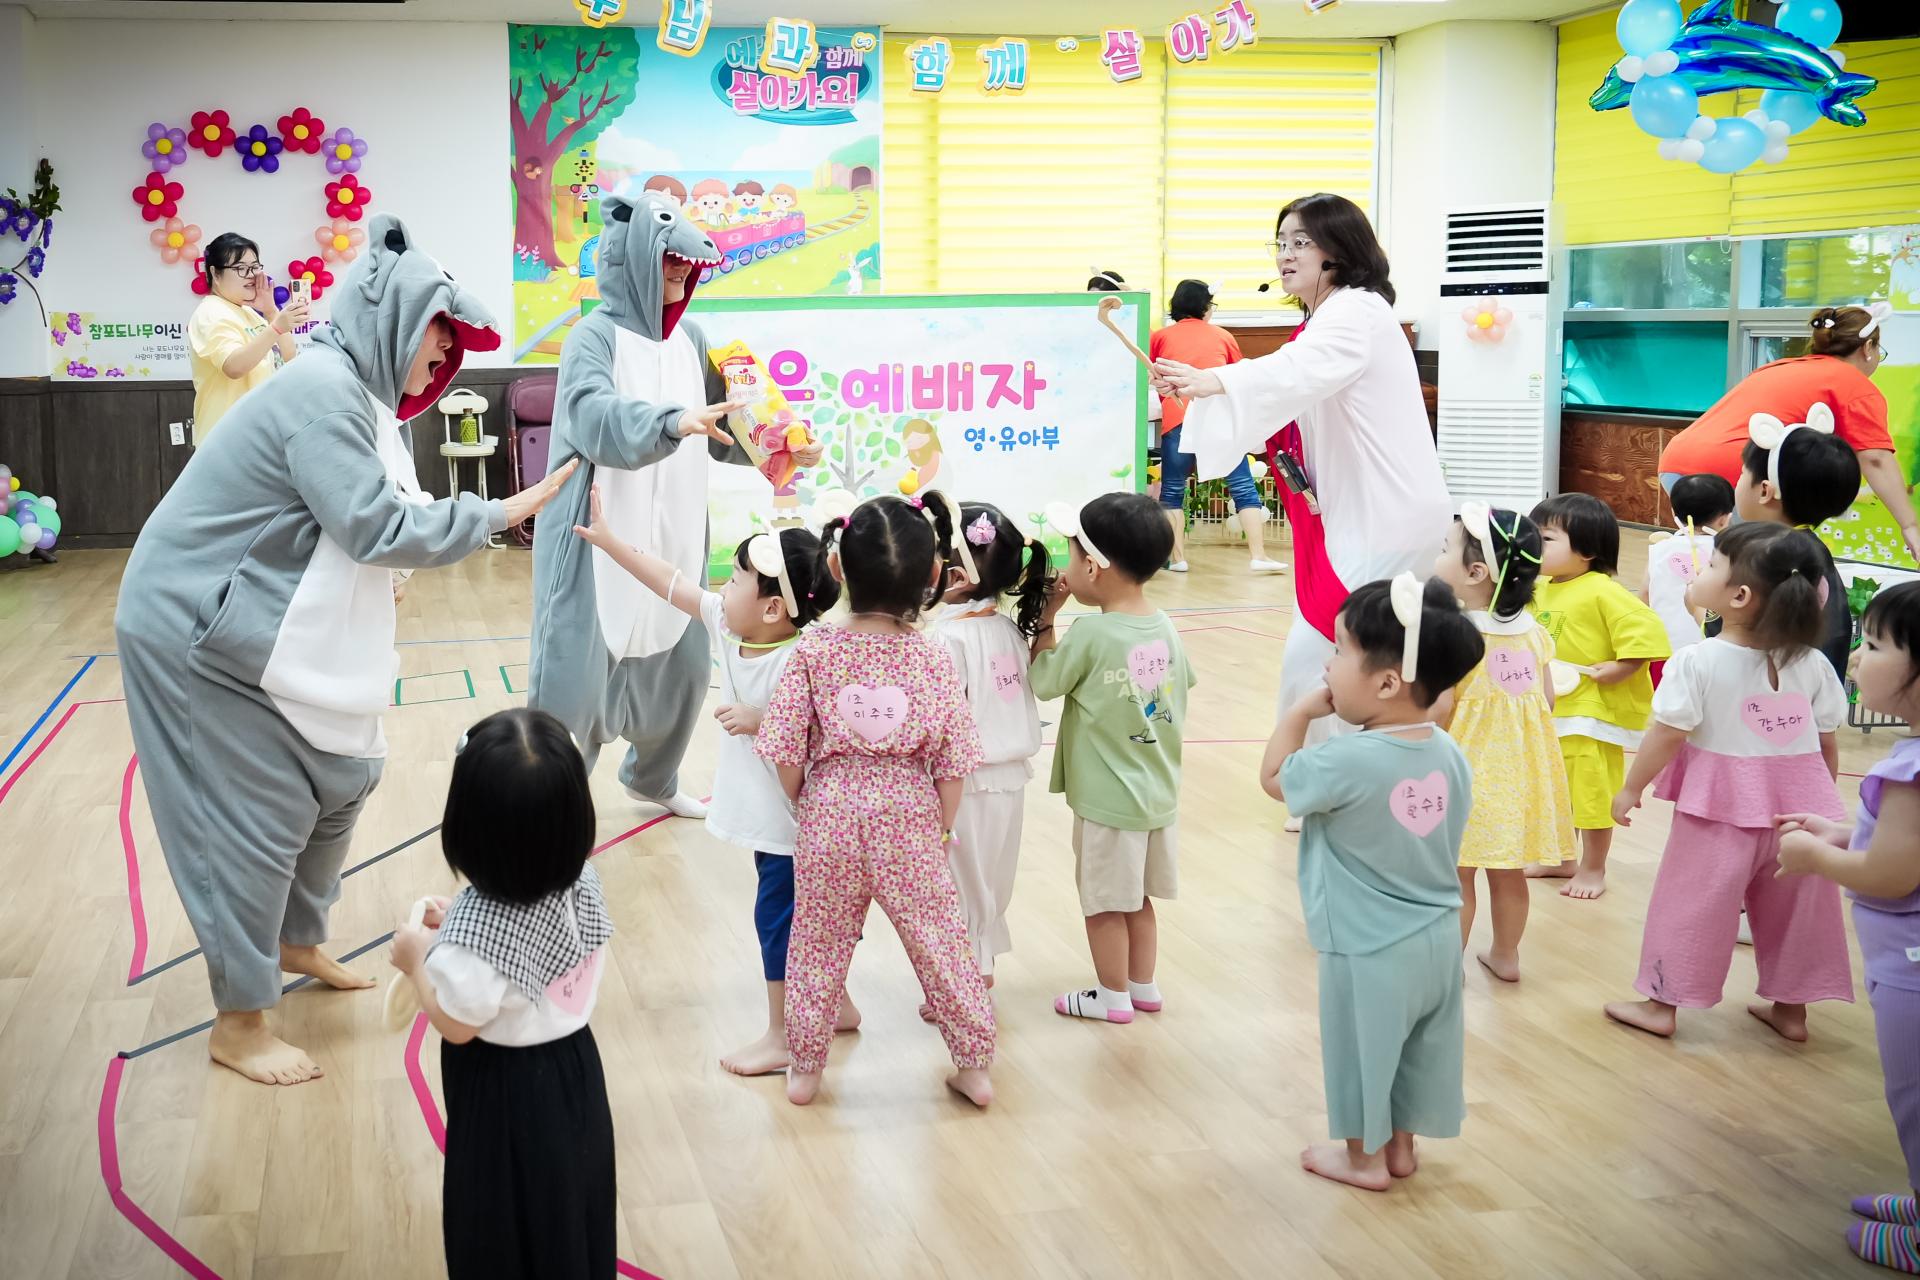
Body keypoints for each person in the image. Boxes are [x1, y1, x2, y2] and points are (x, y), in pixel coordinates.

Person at [114, 214, 577, 1086]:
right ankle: (239, 1018)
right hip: (196, 623)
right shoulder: (325, 392)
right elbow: (375, 524)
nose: (445, 358)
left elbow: (379, 514)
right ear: (393, 323)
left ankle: (294, 940)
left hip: (268, 612)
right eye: (436, 338)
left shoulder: (360, 398)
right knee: (252, 818)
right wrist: (503, 510)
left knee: (345, 775)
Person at [529, 193, 824, 821]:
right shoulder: (592, 336)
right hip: (598, 526)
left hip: (677, 527)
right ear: (634, 259)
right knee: (573, 679)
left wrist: (782, 449)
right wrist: (670, 421)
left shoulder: (692, 337)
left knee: (683, 666)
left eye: (688, 263)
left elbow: (724, 426)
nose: (683, 271)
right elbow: (590, 414)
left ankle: (653, 779)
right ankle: (549, 812)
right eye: (669, 260)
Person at [570, 487, 861, 1078]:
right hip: (773, 823)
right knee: (807, 919)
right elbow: (671, 583)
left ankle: (783, 1037)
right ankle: (838, 1005)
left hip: (802, 829)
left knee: (781, 925)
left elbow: (839, 739)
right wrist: (609, 542)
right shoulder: (732, 628)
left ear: (773, 609)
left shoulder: (806, 658)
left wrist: (764, 720)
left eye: (738, 579)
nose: (724, 587)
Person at [1151, 194, 1449, 751]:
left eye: (1301, 243)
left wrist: (1214, 382)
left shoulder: (1356, 310)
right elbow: (1286, 398)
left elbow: (1294, 372)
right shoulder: (1326, 318)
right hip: (1364, 508)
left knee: (1324, 649)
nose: (1285, 255)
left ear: (1339, 250)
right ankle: (1357, 763)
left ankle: (1318, 772)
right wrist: (1206, 387)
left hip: (1382, 512)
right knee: (1362, 649)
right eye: (1281, 242)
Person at [754, 495, 995, 1108]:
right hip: (910, 817)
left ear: (837, 567)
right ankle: (974, 1066)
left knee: (817, 941)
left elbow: (784, 747)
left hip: (829, 814)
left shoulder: (813, 650)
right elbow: (954, 761)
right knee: (940, 940)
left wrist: (806, 801)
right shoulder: (933, 655)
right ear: (934, 575)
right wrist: (941, 828)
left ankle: (805, 1070)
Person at [1259, 574, 1483, 1191]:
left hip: (1367, 944)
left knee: (1362, 1052)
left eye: (1339, 651)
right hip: (1438, 936)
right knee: (1415, 1049)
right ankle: (1402, 1149)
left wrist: (1301, 711)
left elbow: (1275, 779)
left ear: (1386, 682)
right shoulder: (1447, 752)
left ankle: (1363, 1160)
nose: (1328, 665)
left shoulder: (1346, 759)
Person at [388, 709, 615, 1280]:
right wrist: (459, 917)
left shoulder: (475, 949)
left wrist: (417, 964)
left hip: (504, 1092)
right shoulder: (583, 883)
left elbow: (458, 1024)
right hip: (576, 1070)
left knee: (500, 1218)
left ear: (469, 831)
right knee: (570, 1201)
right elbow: (528, 931)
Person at [1608, 524, 1852, 1042]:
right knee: (1797, 913)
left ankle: (1662, 1004)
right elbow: (1826, 743)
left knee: (1692, 906)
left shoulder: (1697, 660)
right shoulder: (1813, 663)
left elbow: (1667, 733)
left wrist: (1631, 788)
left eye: (1713, 563)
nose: (1701, 568)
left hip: (1718, 811)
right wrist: (1820, 807)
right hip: (1801, 817)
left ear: (1738, 597)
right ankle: (1791, 1011)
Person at [1773, 582, 1920, 1274]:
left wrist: (1815, 858)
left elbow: (1890, 874)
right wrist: (1839, 831)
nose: (1856, 658)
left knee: (1914, 1097)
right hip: (1904, 959)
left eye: (1875, 645)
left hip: (1911, 969)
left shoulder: (1913, 773)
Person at [1031, 493, 1195, 1025]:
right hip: (1157, 794)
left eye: (1073, 553)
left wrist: (1046, 620)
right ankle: (1142, 986)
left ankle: (1111, 996)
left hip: (1107, 800)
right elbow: (1182, 684)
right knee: (1138, 898)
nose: (1068, 563)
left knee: (1103, 902)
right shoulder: (1164, 626)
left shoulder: (1092, 633)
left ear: (1094, 568)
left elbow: (1043, 681)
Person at [1658, 303, 1918, 566]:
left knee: (1707, 559)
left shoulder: (1779, 366)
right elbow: (1875, 459)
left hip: (1676, 464)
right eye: (1879, 350)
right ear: (1868, 348)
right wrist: (1910, 525)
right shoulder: (1855, 384)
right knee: (1753, 568)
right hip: (1733, 473)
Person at [1432, 504, 1573, 982]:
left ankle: (1447, 967)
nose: (1439, 555)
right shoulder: (1535, 634)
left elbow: (1440, 708)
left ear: (1476, 572)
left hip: (1466, 770)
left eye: (1446, 549)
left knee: (1458, 872)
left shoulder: (1456, 634)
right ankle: (1506, 956)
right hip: (1521, 774)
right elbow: (1547, 699)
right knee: (1508, 871)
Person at [926, 499, 1052, 995]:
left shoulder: (946, 639)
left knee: (958, 878)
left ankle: (966, 979)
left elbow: (940, 721)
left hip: (965, 784)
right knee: (991, 874)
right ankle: (980, 964)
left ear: (955, 575)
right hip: (1010, 778)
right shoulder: (1006, 630)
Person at [1526, 493, 1670, 901]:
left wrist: (1622, 667)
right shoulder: (1538, 589)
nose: (1535, 545)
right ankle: (1561, 858)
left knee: (1591, 794)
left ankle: (1593, 867)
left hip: (1590, 713)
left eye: (1546, 538)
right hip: (1552, 706)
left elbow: (1647, 633)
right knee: (1555, 789)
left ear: (1587, 551)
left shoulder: (1603, 591)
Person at [1149, 279, 1283, 574]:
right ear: (1205, 307)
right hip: (1219, 420)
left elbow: (1150, 372)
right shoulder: (1223, 336)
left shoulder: (1160, 337)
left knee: (1172, 491)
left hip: (1177, 416)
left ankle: (1178, 559)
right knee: (1243, 487)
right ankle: (1259, 555)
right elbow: (1237, 380)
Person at [1731, 406, 1864, 682]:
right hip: (1811, 695)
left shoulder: (1765, 555)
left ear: (1765, 490)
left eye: (1743, 473)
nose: (1738, 482)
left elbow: (1729, 636)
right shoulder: (1812, 550)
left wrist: (1696, 608)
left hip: (1762, 698)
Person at [188, 232, 307, 444]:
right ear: (215, 273)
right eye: (241, 268)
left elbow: (289, 357)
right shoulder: (211, 313)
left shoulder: (248, 312)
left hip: (259, 437)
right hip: (227, 441)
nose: (251, 275)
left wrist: (271, 311)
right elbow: (234, 366)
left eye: (255, 267)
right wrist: (276, 327)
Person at [1639, 473, 1735, 686]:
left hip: (1665, 650)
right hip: (1712, 650)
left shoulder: (1661, 549)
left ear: (1674, 513)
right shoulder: (1731, 552)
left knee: (1667, 699)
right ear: (1725, 518)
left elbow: (1645, 595)